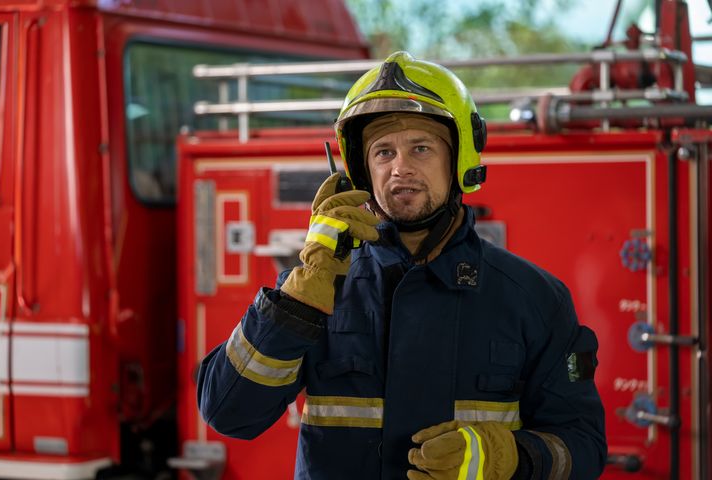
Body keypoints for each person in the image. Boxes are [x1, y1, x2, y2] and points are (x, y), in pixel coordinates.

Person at [197, 51, 607, 480]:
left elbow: (583, 447)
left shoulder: (533, 297)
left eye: (421, 148)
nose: (400, 168)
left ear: (460, 161)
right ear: (361, 170)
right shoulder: (312, 291)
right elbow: (228, 413)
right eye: (383, 152)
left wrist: (509, 458)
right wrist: (297, 301)